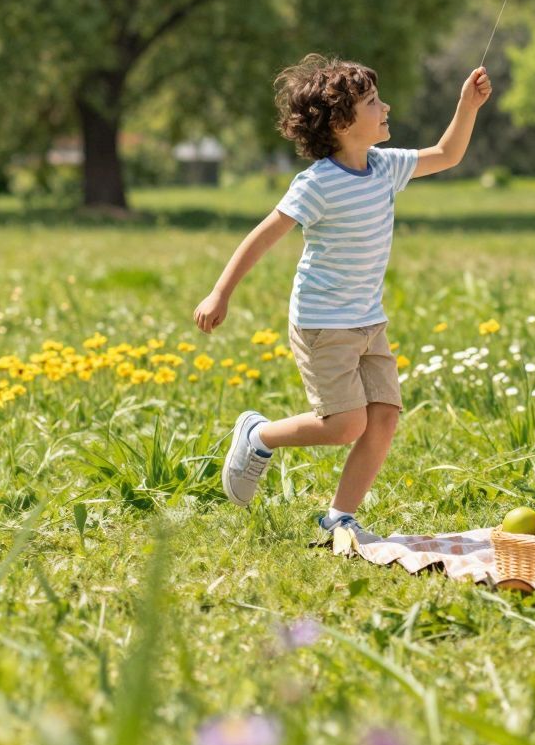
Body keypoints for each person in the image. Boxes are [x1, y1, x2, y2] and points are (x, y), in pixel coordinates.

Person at [196, 55, 492, 538]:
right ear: (341, 123)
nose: (385, 106)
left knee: (384, 418)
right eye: (373, 102)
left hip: (368, 321)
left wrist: (468, 105)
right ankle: (258, 435)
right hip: (323, 322)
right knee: (344, 424)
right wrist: (219, 292)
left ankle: (339, 516)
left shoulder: (384, 166)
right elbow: (263, 236)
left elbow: (447, 153)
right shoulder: (318, 184)